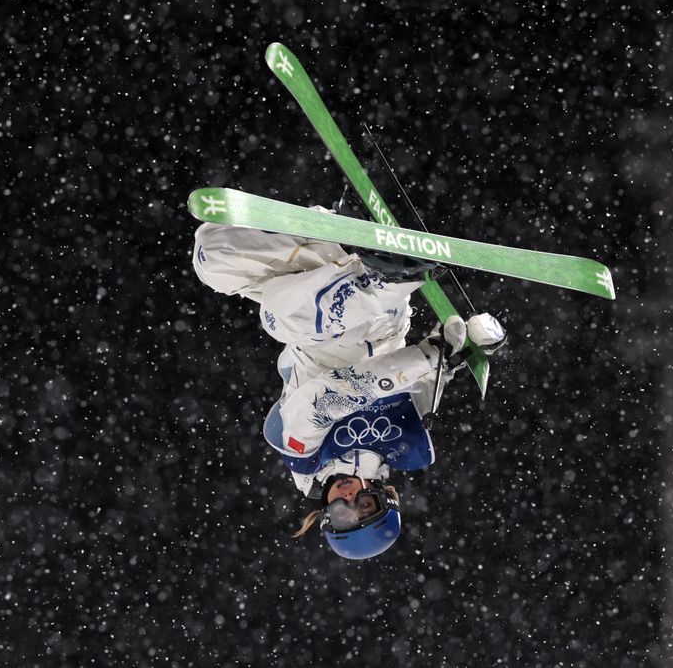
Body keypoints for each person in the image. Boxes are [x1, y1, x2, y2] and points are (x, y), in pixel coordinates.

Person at [192, 206, 507, 560]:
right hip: (372, 322)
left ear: (324, 513)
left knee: (211, 254)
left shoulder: (302, 455)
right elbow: (440, 361)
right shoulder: (403, 444)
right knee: (279, 315)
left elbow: (326, 398)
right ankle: (390, 273)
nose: (348, 498)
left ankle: (340, 237)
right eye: (366, 504)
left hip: (316, 308)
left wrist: (428, 356)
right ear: (382, 495)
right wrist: (471, 347)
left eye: (341, 513)